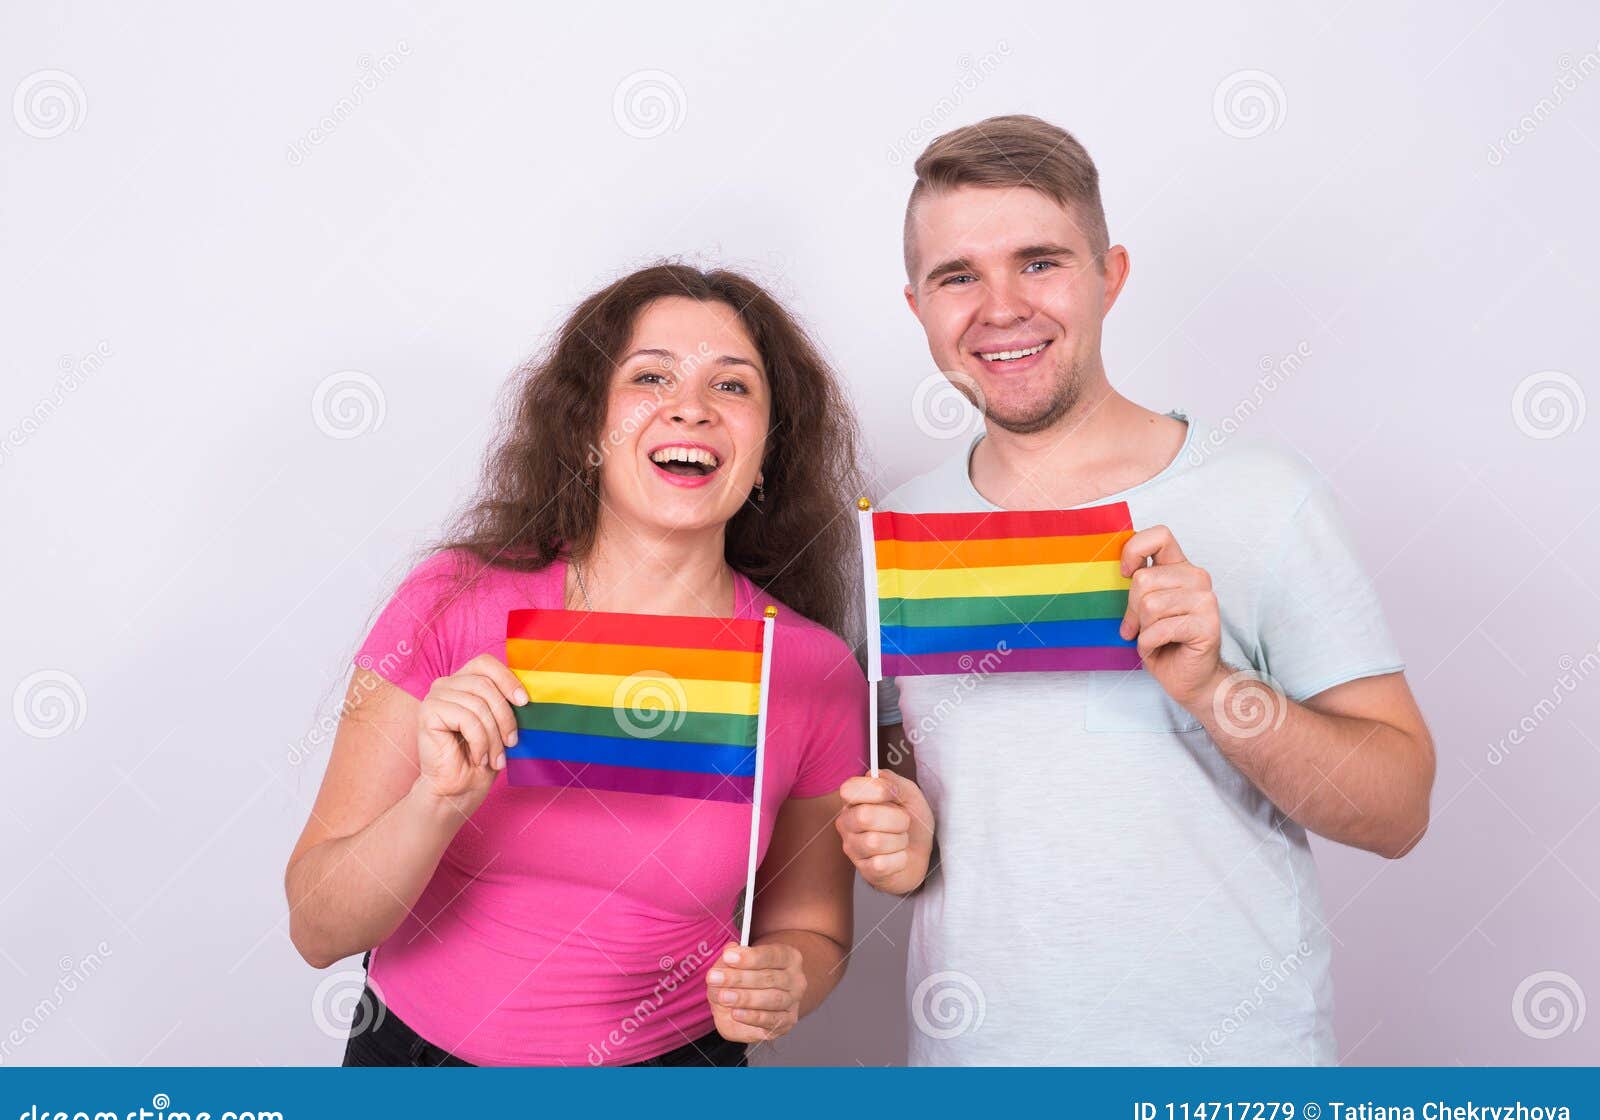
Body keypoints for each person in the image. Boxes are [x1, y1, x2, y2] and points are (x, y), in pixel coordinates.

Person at [835, 115, 1436, 1065]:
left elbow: (1399, 809)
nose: (1000, 307)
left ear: (1110, 275)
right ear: (918, 307)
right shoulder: (897, 531)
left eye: (1039, 262)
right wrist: (904, 853)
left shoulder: (1266, 497)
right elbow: (918, 798)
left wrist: (1214, 687)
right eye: (959, 275)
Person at [285, 263, 868, 1066]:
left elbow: (815, 925)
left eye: (732, 387)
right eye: (650, 376)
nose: (690, 406)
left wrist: (789, 976)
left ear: (766, 453)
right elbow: (316, 931)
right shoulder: (450, 601)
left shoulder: (811, 668)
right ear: (591, 429)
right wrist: (436, 803)